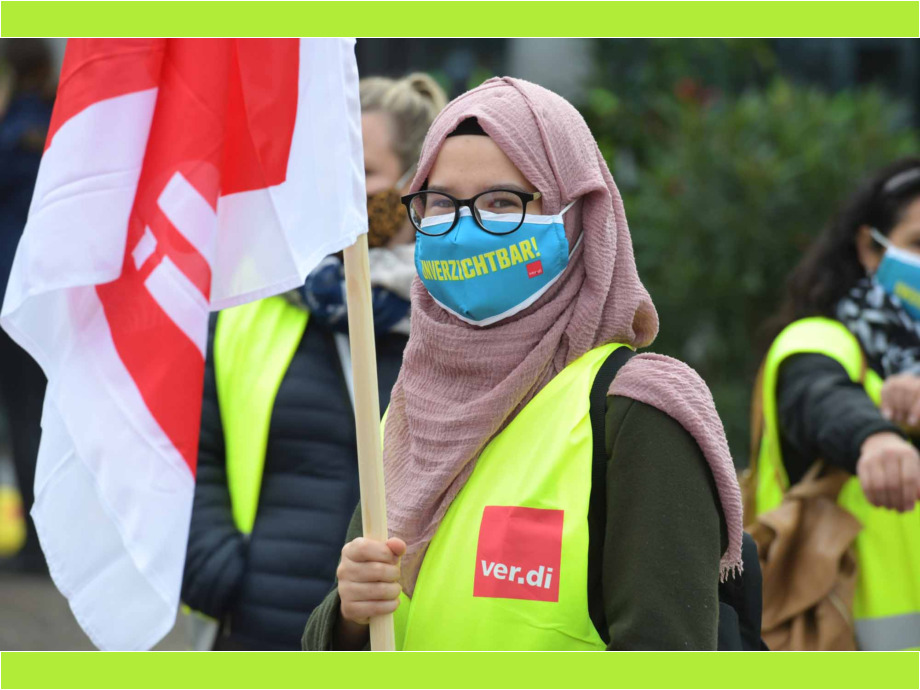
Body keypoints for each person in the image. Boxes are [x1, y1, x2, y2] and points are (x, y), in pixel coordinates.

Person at [302, 77, 744, 651]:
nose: (464, 229)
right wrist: (348, 616)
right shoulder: (408, 412)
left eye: (502, 203)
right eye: (440, 203)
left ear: (576, 218)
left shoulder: (635, 415)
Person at [180, 73, 447, 650]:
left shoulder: (455, 317)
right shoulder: (251, 298)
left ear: (415, 187)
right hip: (262, 628)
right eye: (329, 175)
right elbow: (191, 454)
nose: (343, 195)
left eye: (365, 176)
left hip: (396, 637)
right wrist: (222, 576)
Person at [751, 158, 920, 650]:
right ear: (870, 247)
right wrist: (877, 438)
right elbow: (821, 397)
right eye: (918, 243)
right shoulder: (818, 340)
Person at [0, 39, 54, 575]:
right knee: (33, 418)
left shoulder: (17, 130)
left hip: (11, 299)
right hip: (37, 297)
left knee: (25, 421)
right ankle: (42, 539)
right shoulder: (53, 126)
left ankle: (37, 544)